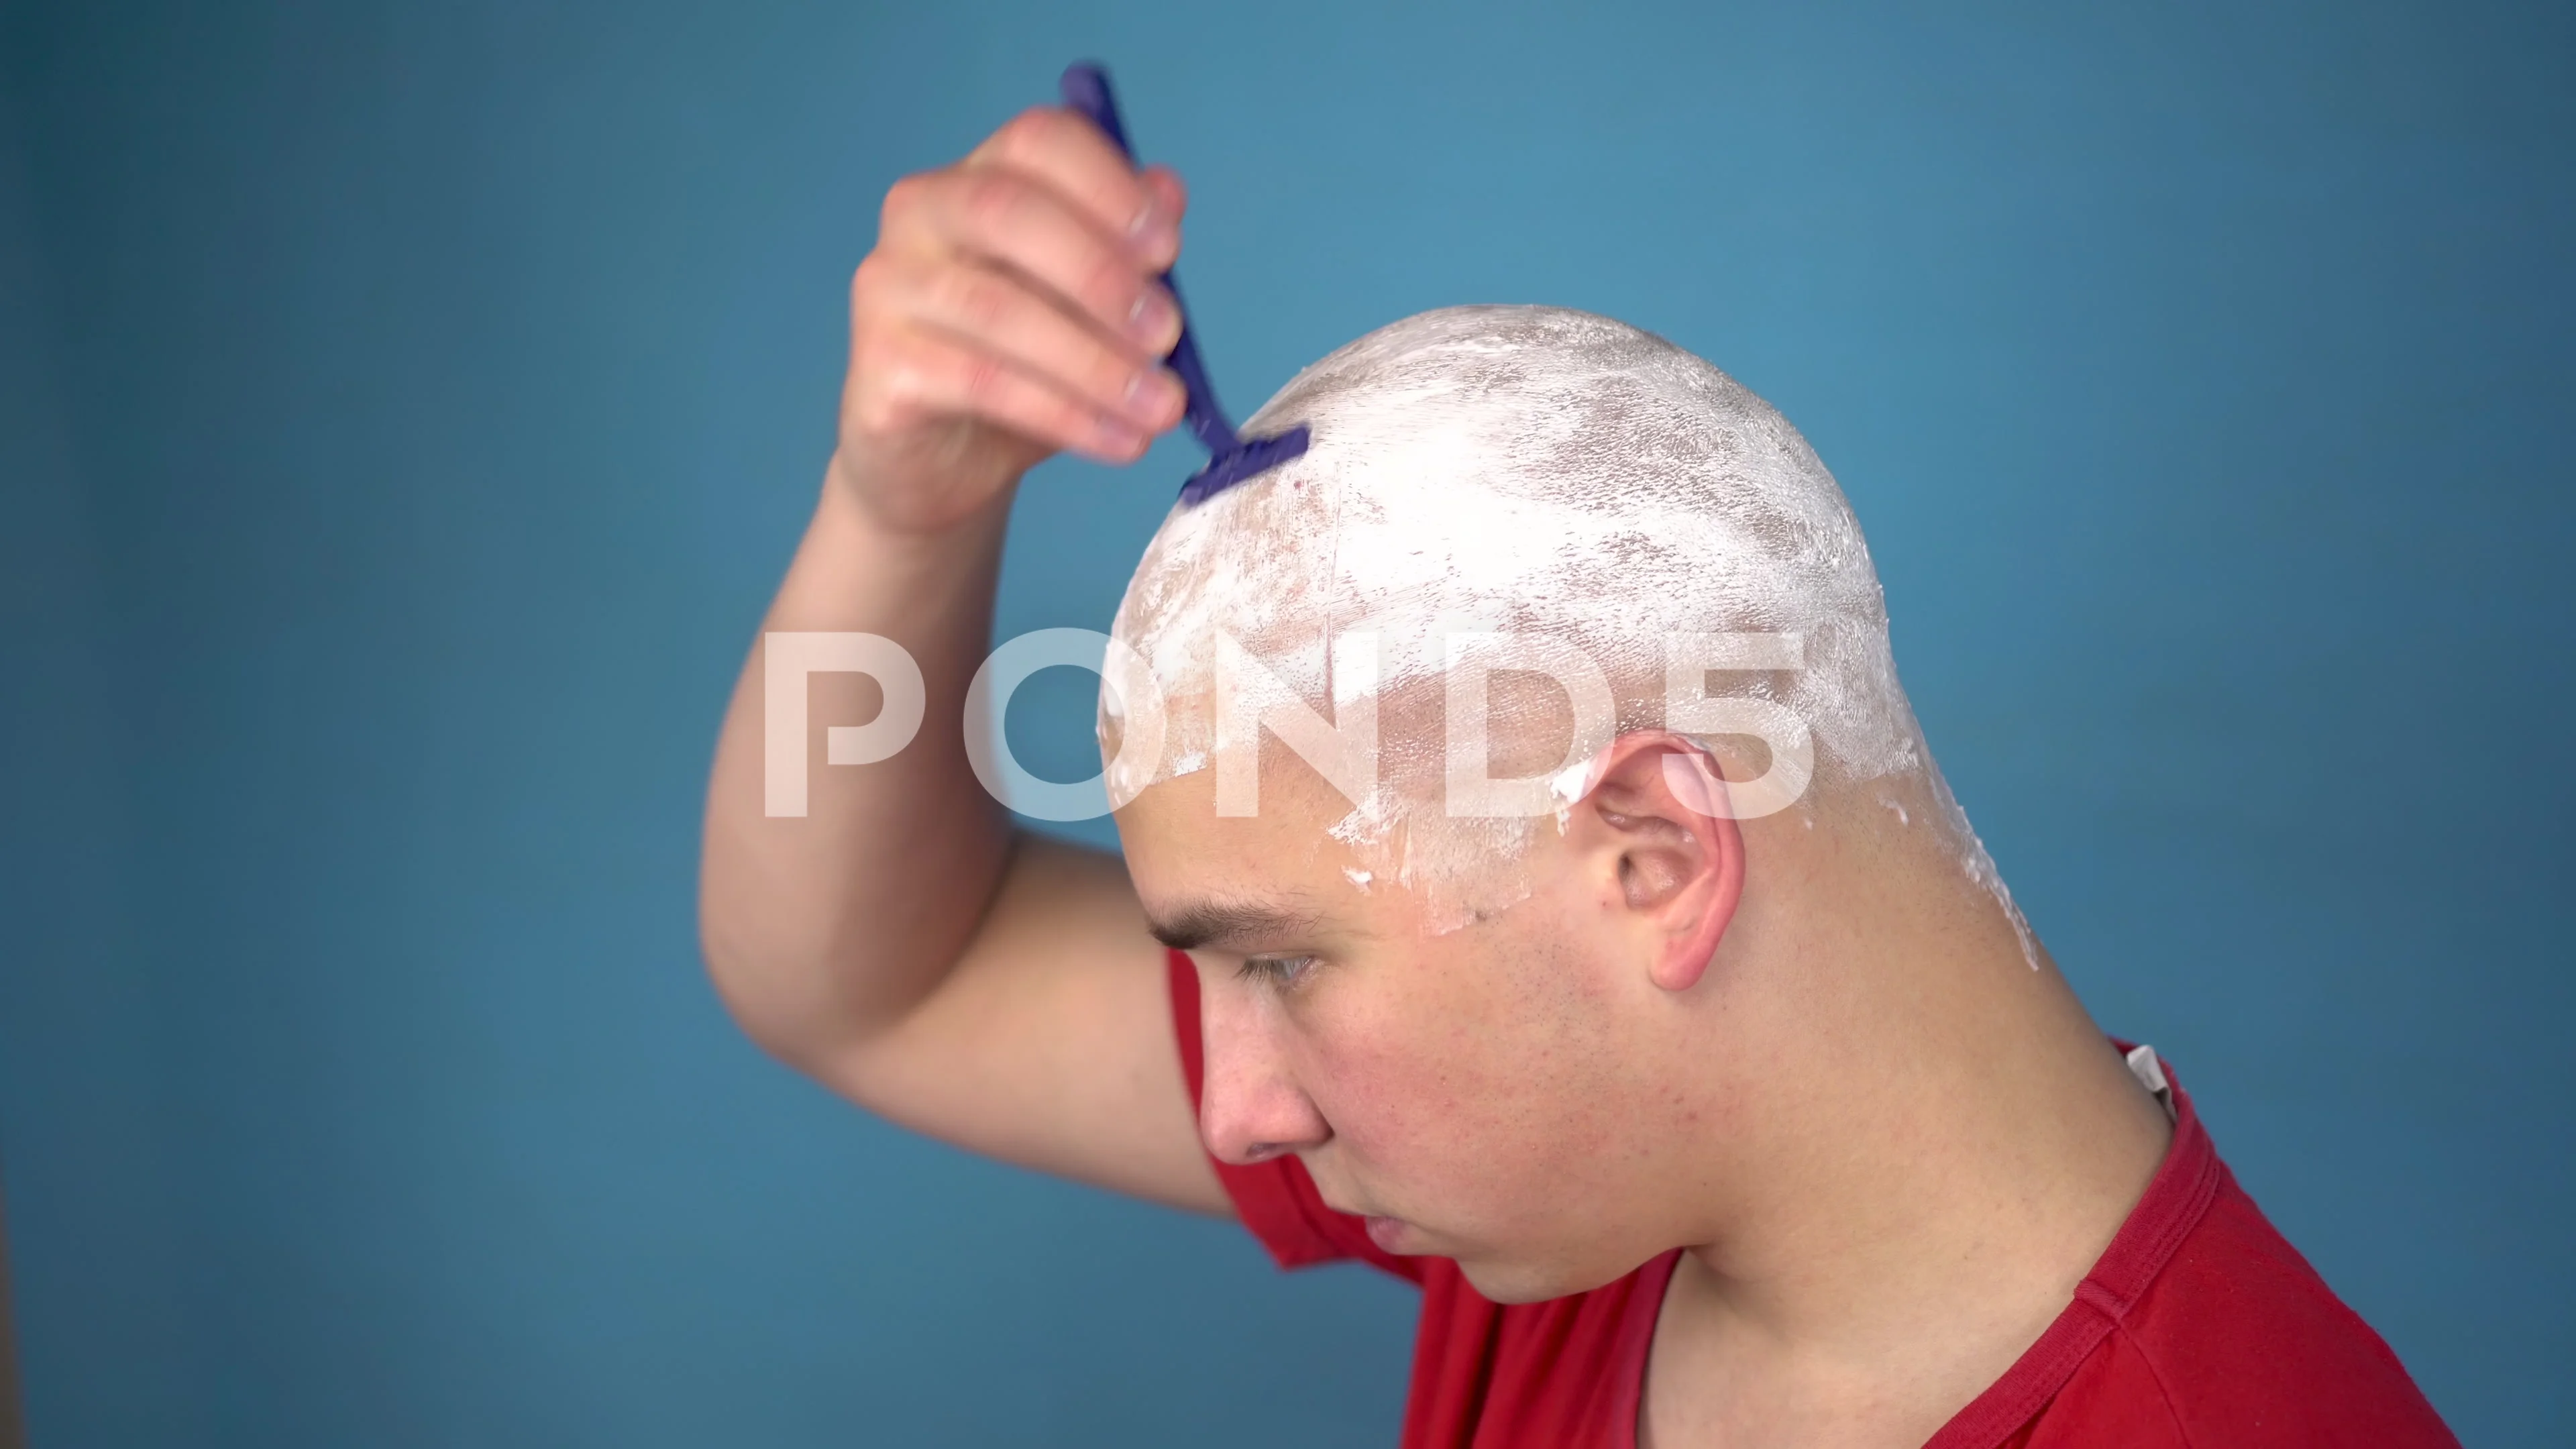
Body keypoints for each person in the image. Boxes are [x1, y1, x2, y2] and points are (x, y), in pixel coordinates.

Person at [696, 102, 2458, 1448]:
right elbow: (874, 977)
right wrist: (904, 509)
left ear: (1654, 861)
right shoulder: (1589, 1182)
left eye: (1280, 960)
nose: (1245, 1113)